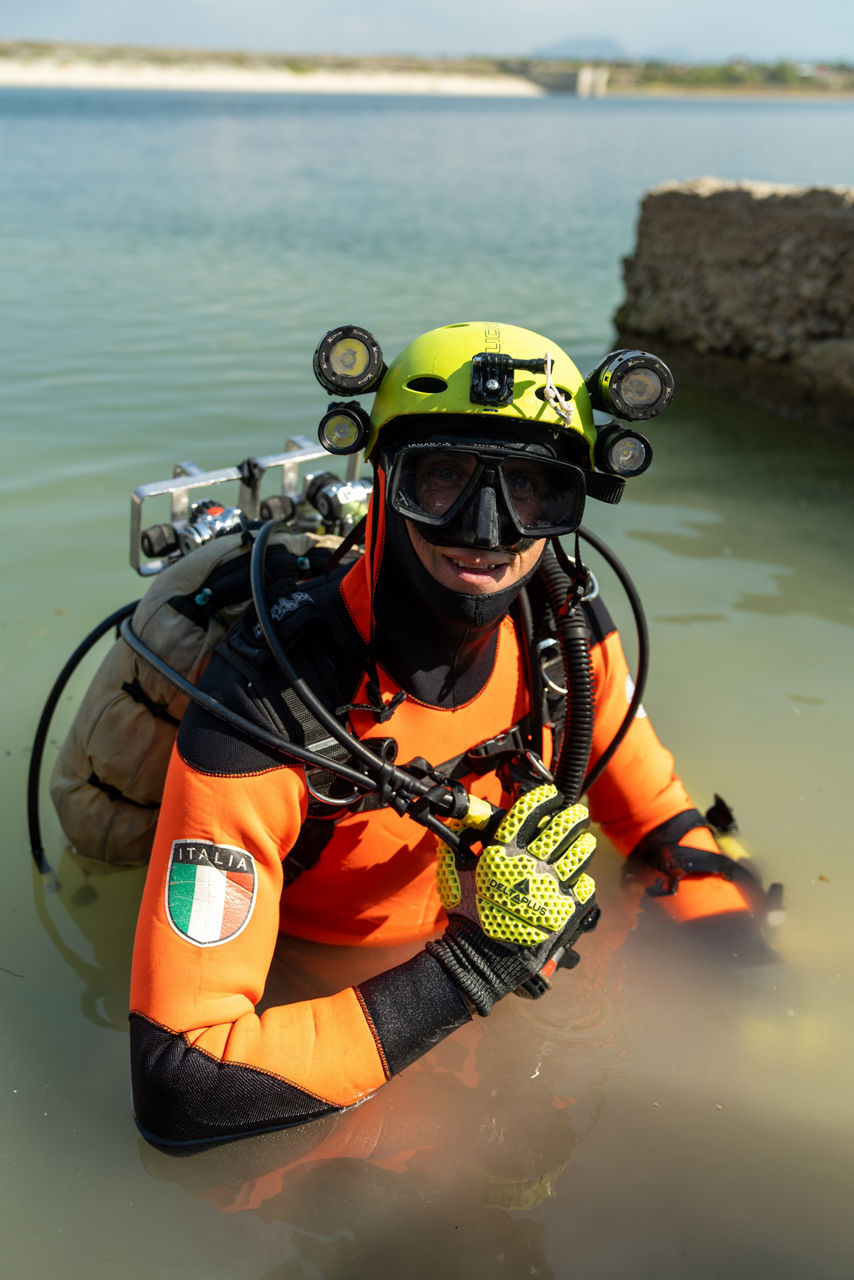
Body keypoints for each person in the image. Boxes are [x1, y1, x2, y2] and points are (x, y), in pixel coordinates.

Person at [129, 321, 755, 1147]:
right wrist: (475, 966)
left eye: (531, 486)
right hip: (325, 987)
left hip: (437, 1011)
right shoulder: (267, 709)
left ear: (571, 502)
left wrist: (751, 976)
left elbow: (663, 823)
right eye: (445, 477)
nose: (487, 531)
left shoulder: (563, 638)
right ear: (386, 479)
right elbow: (183, 1085)